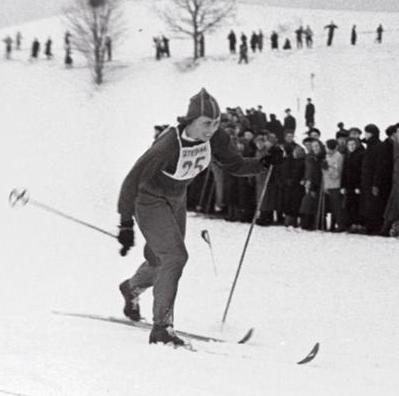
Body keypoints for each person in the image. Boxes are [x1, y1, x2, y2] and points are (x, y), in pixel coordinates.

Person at [116, 88, 282, 345]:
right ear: (190, 121)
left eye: (216, 123)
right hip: (147, 199)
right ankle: (162, 328)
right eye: (206, 123)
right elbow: (132, 179)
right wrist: (125, 222)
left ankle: (132, 288)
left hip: (176, 198)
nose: (211, 129)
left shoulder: (215, 138)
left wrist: (262, 163)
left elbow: (234, 165)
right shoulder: (168, 144)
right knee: (174, 256)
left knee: (161, 258)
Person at [360, 124, 385, 235]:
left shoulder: (379, 146)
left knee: (374, 204)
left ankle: (375, 227)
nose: (366, 135)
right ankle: (369, 226)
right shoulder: (369, 146)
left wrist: (376, 183)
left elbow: (379, 167)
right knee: (367, 204)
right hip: (366, 180)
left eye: (368, 132)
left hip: (373, 180)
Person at [279, 130, 306, 228]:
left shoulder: (300, 160)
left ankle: (293, 220)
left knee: (295, 202)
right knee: (287, 201)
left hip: (296, 184)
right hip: (287, 182)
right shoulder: (286, 156)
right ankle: (287, 219)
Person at [341, 136, 366, 232]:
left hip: (356, 185)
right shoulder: (347, 156)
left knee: (356, 206)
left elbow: (361, 172)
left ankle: (357, 224)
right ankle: (350, 224)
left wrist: (359, 186)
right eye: (349, 145)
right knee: (349, 205)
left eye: (353, 144)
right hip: (348, 185)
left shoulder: (360, 155)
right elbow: (344, 172)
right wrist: (343, 185)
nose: (351, 146)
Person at [299, 139, 324, 230]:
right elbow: (307, 170)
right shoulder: (309, 157)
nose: (315, 148)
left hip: (318, 183)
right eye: (313, 147)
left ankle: (317, 223)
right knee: (307, 203)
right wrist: (305, 179)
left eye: (317, 146)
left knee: (315, 203)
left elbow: (317, 172)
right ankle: (307, 223)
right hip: (309, 182)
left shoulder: (322, 157)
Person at [322, 139, 344, 231]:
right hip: (328, 184)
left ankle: (340, 224)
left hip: (335, 184)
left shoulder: (338, 156)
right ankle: (332, 225)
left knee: (336, 207)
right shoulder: (327, 156)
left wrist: (327, 168)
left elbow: (336, 173)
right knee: (331, 206)